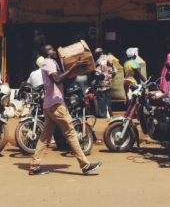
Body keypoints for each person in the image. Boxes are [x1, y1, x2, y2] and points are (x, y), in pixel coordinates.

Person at [28, 45, 101, 176]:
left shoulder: (52, 63)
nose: (54, 50)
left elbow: (63, 81)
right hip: (56, 105)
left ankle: (34, 166)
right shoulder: (49, 63)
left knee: (44, 138)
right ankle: (85, 165)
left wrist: (76, 70)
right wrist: (73, 67)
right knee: (71, 134)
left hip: (49, 105)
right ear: (46, 53)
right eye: (50, 49)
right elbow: (57, 79)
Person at [93, 48, 116, 118]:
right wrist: (109, 77)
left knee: (101, 98)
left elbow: (97, 74)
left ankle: (103, 114)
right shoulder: (109, 59)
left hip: (102, 83)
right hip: (108, 82)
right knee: (108, 98)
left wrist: (97, 81)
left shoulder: (98, 62)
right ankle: (110, 113)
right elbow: (115, 71)